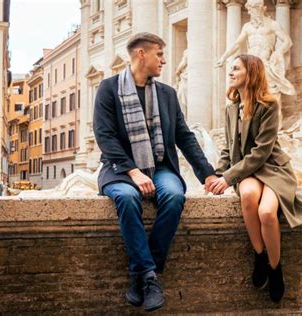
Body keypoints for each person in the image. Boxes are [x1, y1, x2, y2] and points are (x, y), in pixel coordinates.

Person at [93, 32, 217, 312]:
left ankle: (143, 272)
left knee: (174, 196)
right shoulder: (108, 88)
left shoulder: (167, 94)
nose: (163, 60)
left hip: (160, 167)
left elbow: (184, 137)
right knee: (126, 198)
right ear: (141, 54)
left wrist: (207, 174)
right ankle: (150, 277)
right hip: (118, 170)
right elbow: (105, 136)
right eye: (159, 54)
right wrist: (133, 172)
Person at [209, 54, 302, 302]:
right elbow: (228, 148)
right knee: (247, 195)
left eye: (236, 68)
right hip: (247, 172)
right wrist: (217, 173)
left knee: (267, 213)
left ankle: (275, 267)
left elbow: (261, 152)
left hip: (272, 168)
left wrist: (227, 178)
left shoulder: (269, 105)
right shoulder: (231, 108)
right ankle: (259, 254)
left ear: (251, 72)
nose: (231, 72)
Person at [216, 0, 295, 97]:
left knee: (270, 94)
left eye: (254, 10)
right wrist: (223, 58)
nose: (250, 13)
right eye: (250, 10)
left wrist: (278, 52)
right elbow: (237, 44)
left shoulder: (272, 24)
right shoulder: (247, 27)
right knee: (248, 94)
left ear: (262, 9)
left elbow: (288, 41)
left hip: (265, 64)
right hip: (250, 65)